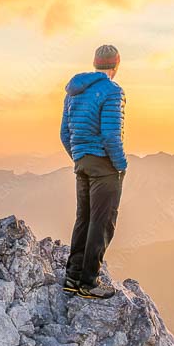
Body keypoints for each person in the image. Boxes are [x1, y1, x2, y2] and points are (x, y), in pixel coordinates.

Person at [59, 44, 127, 298]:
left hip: (82, 162)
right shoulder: (112, 91)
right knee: (102, 222)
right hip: (104, 165)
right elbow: (111, 135)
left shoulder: (74, 91)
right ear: (116, 65)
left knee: (83, 219)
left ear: (95, 63)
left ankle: (72, 278)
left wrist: (79, 156)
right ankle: (89, 283)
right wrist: (120, 165)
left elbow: (64, 133)